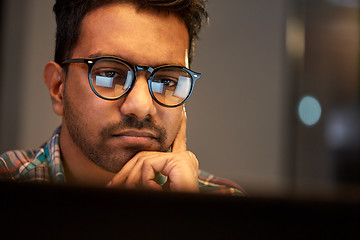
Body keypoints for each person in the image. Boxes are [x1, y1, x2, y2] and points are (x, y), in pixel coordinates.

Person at [0, 0, 244, 195]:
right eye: (110, 74)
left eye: (167, 81)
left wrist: (185, 220)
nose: (140, 106)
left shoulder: (228, 208)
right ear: (58, 88)